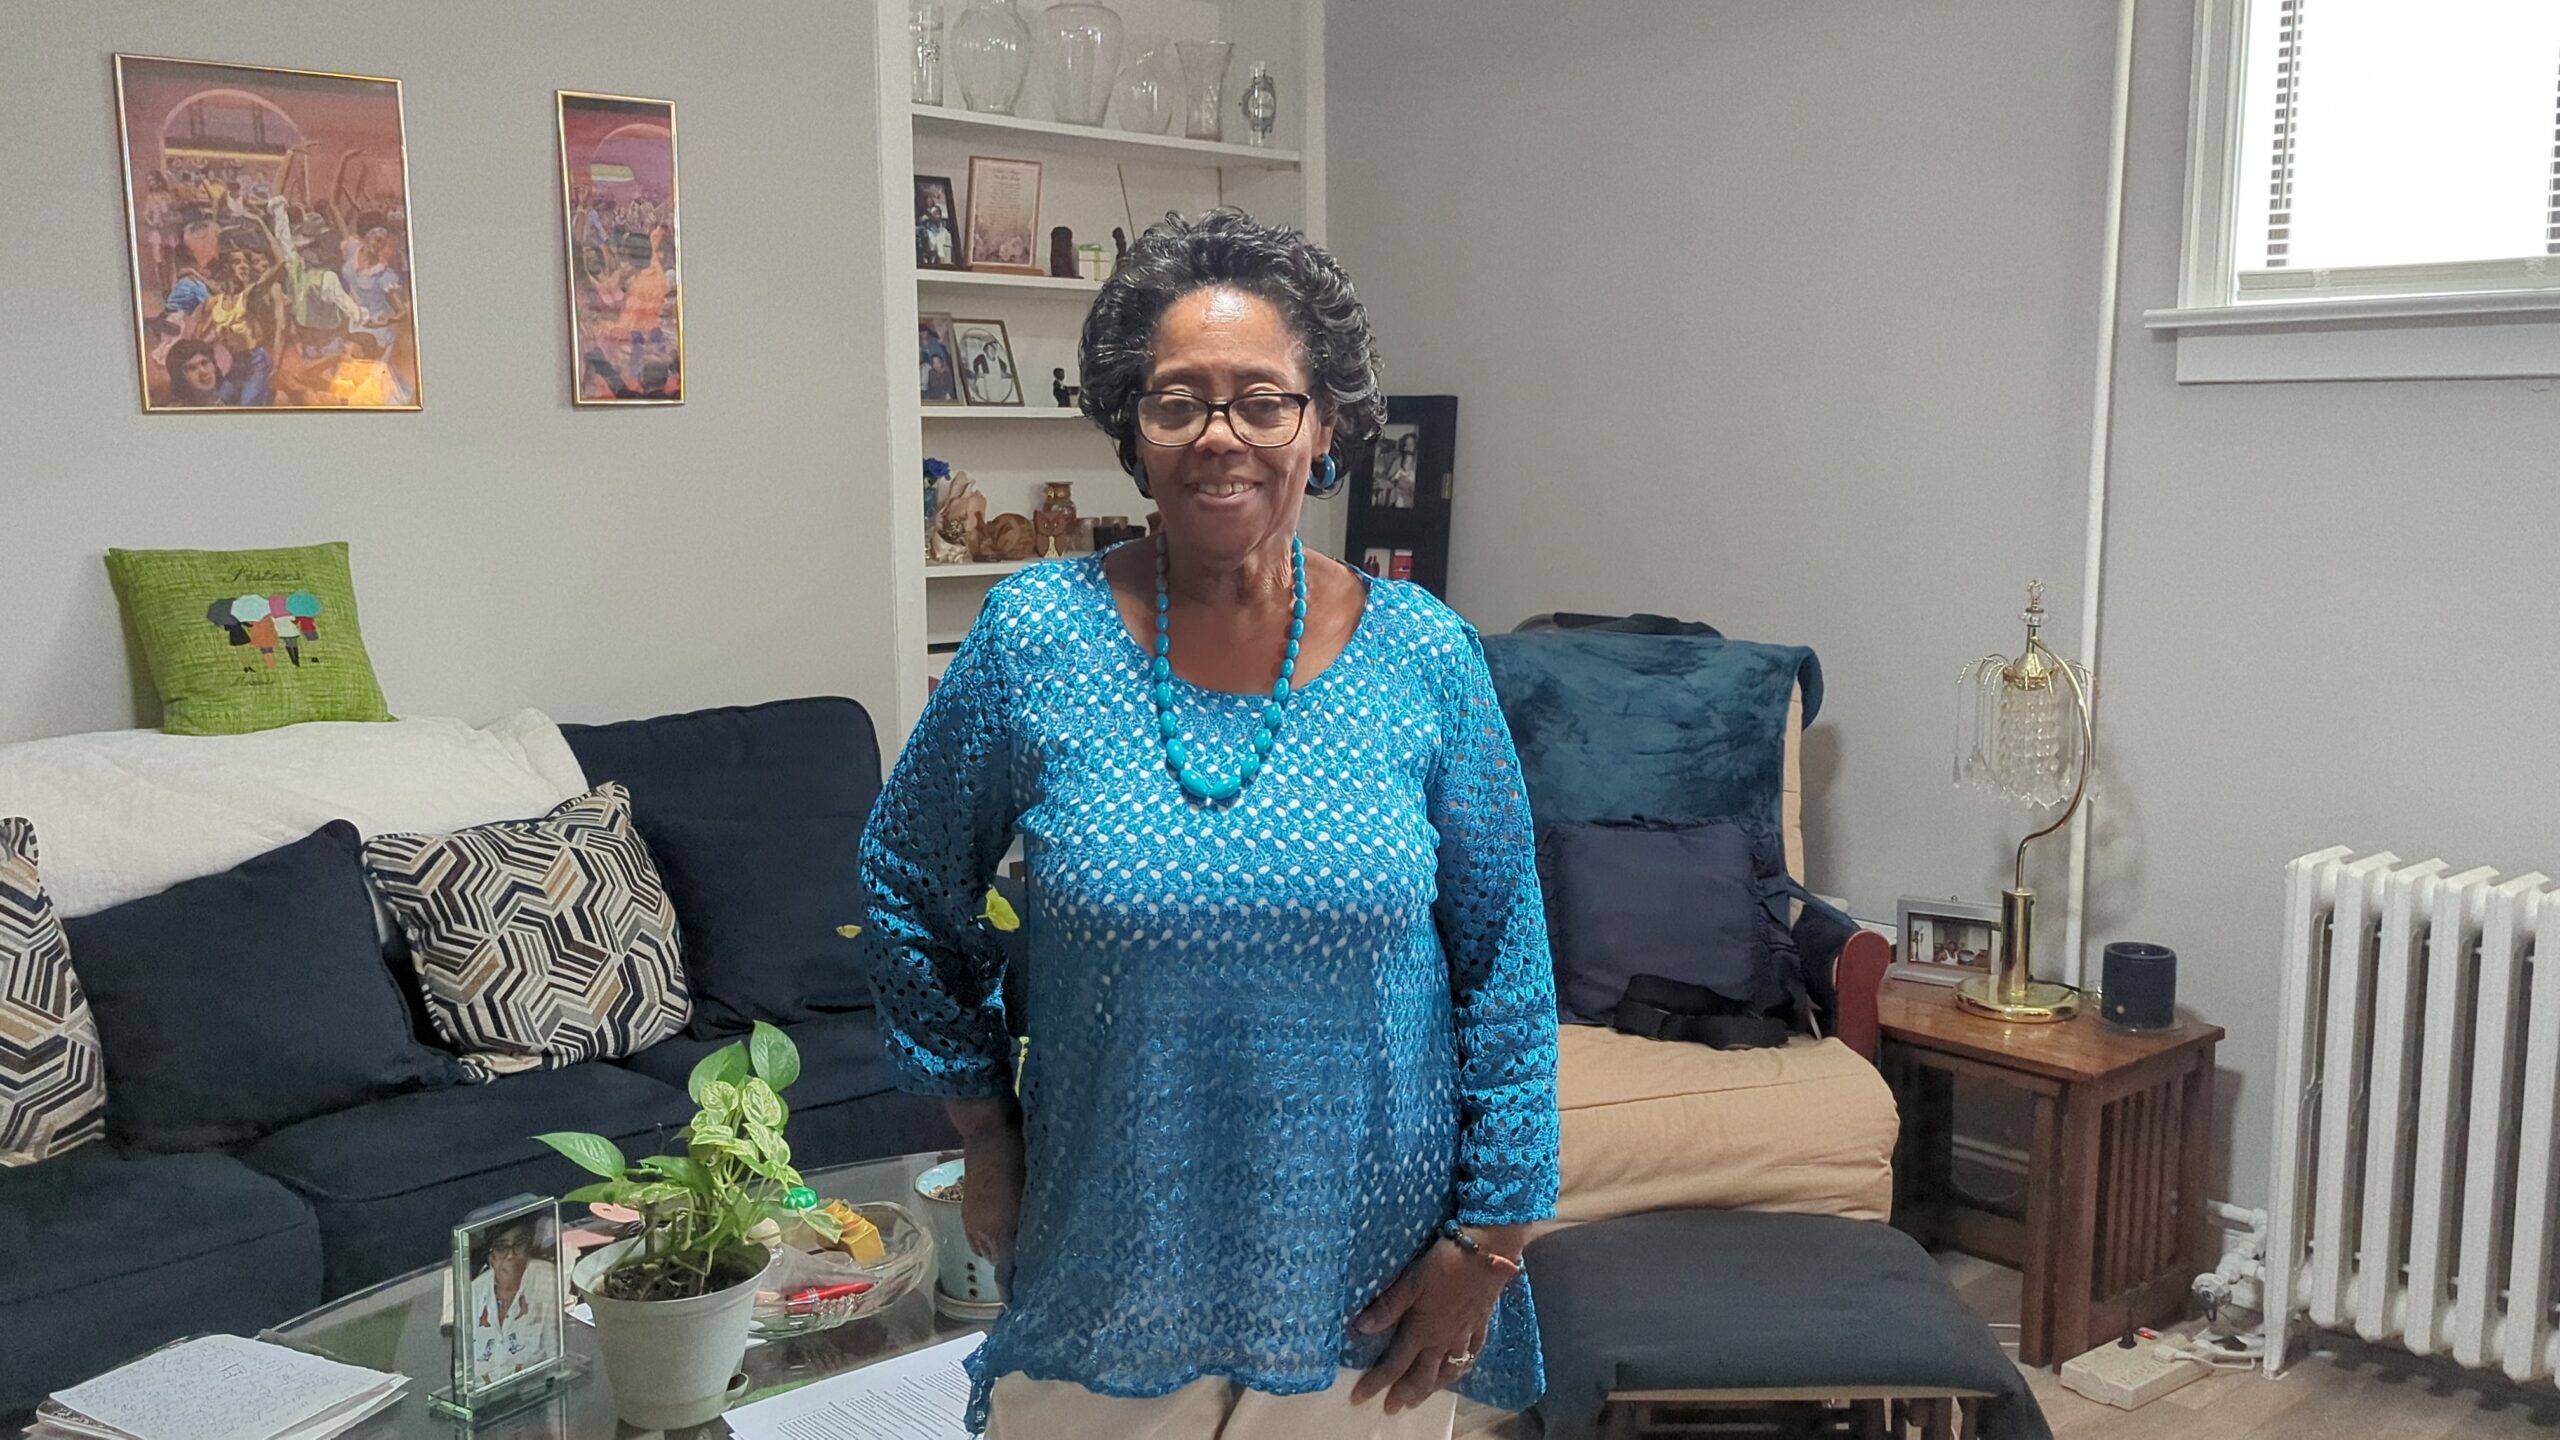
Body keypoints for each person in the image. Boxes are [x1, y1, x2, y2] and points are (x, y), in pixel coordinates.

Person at [860, 208, 1560, 1439]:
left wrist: (1491, 1239)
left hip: (1370, 1274)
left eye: (1262, 401)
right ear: (1133, 427)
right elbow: (908, 877)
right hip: (1107, 1247)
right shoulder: (1036, 638)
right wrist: (984, 1124)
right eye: (1178, 401)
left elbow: (1503, 953)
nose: (1219, 438)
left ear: (1324, 421)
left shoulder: (1424, 656)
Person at [467, 1219, 559, 1382]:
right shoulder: (475, 1291)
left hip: (535, 1392)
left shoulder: (544, 1277)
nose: (511, 1255)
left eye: (519, 1244)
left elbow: (555, 1357)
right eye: (501, 1247)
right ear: (491, 1258)